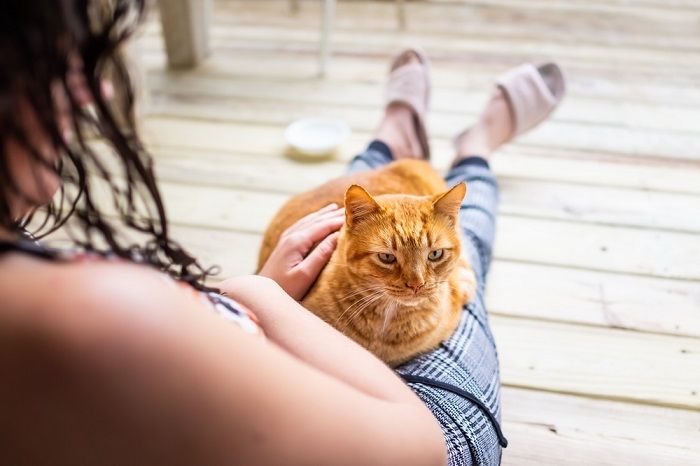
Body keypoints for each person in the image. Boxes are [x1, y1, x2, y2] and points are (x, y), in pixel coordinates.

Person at [0, 2, 564, 465]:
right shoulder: (79, 319)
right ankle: (476, 148)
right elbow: (423, 447)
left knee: (368, 199)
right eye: (58, 64)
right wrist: (257, 295)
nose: (87, 94)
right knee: (465, 263)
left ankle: (393, 134)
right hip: (422, 431)